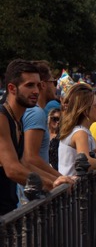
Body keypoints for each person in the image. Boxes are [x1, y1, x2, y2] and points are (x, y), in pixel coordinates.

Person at [0, 60, 71, 215]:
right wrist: (52, 184)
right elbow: (12, 169)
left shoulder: (16, 119)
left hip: (8, 210)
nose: (36, 91)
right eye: (29, 85)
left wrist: (59, 179)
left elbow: (24, 162)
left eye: (38, 85)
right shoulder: (2, 118)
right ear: (12, 88)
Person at [18, 61, 67, 201]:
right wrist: (58, 179)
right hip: (34, 193)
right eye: (54, 81)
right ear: (44, 84)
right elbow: (30, 158)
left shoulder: (31, 111)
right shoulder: (36, 113)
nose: (56, 86)